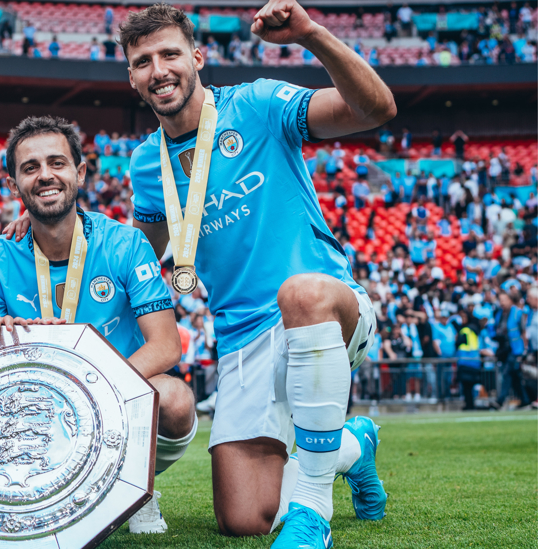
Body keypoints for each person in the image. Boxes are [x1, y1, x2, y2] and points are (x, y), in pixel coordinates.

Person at [118, 4, 393, 547]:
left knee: (302, 292)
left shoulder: (258, 103)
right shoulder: (147, 165)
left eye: (170, 53)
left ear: (196, 57)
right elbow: (137, 257)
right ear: (132, 77)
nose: (159, 70)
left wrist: (312, 35)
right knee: (244, 519)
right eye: (143, 61)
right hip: (241, 340)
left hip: (326, 311)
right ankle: (353, 447)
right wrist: (45, 222)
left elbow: (374, 109)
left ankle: (313, 511)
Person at [0, 116, 196, 534]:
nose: (45, 176)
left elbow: (166, 346)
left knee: (176, 401)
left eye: (57, 163)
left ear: (80, 171)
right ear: (13, 184)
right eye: (30, 168)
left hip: (115, 397)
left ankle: (137, 488)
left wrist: (89, 387)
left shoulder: (126, 244)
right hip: (35, 408)